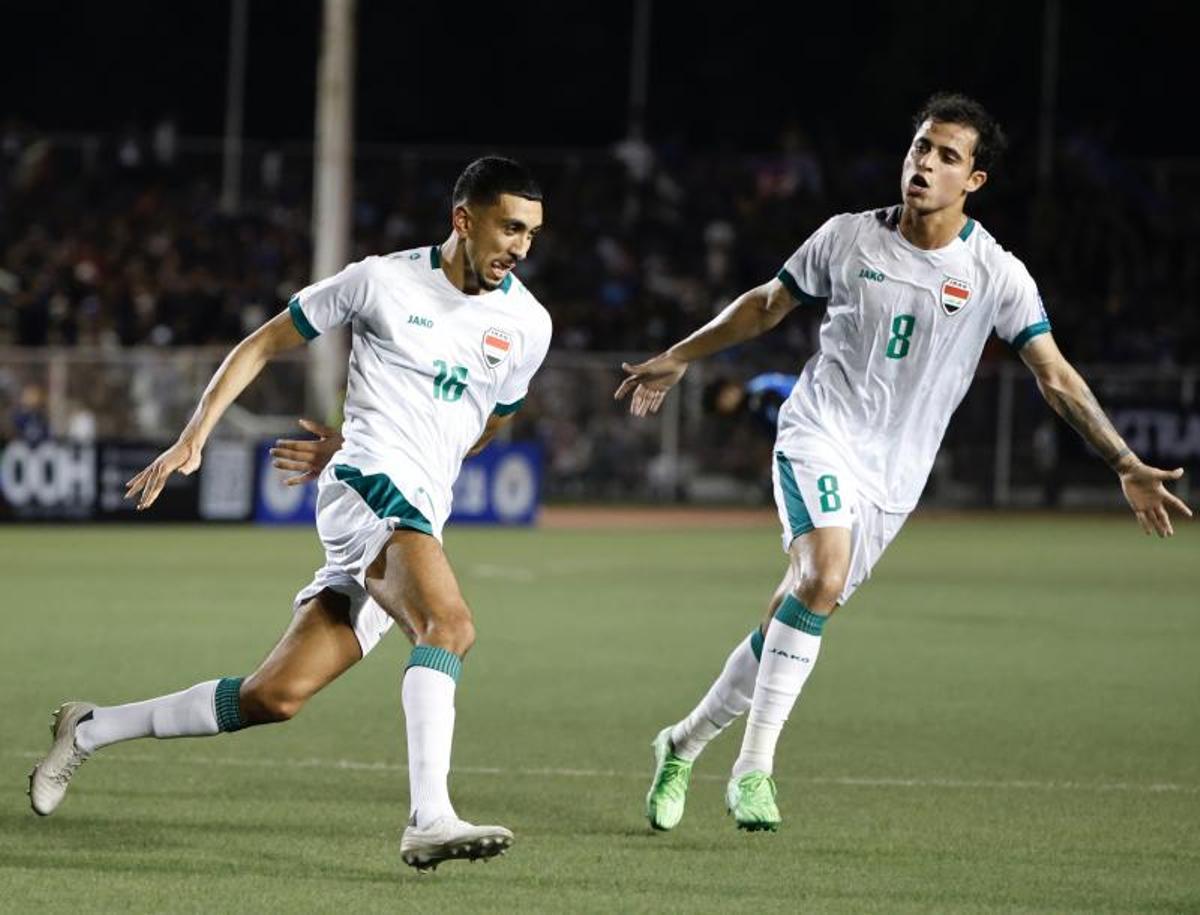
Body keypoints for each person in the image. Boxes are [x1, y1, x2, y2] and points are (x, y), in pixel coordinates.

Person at [615, 93, 1192, 833]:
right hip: (819, 432)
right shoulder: (848, 238)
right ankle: (754, 767)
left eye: (947, 156)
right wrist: (679, 357)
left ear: (974, 181)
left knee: (793, 612)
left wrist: (1122, 459)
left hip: (895, 477)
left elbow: (1054, 373)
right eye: (921, 147)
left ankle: (683, 740)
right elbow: (765, 304)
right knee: (820, 574)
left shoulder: (995, 274)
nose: (924, 163)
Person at [28, 156, 552, 873]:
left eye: (531, 233)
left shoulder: (528, 323)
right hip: (368, 489)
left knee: (274, 695)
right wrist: (195, 436)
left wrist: (395, 442)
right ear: (465, 219)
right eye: (510, 227)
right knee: (450, 625)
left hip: (418, 505)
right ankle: (429, 816)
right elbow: (263, 343)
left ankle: (87, 728)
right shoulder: (381, 281)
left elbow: (489, 419)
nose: (521, 246)